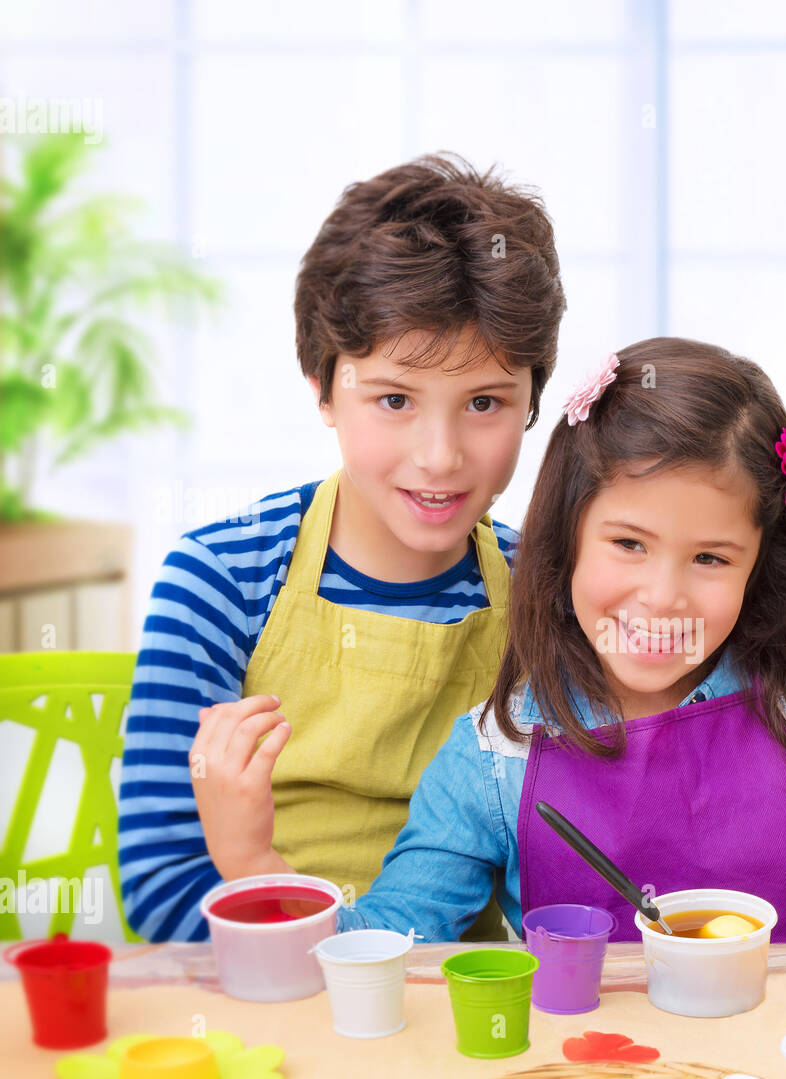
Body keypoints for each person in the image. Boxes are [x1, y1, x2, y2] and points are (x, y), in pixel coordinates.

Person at [270, 335, 786, 941]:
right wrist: (255, 861)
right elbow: (382, 954)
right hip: (576, 1073)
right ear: (567, 539)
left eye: (710, 558)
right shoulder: (494, 759)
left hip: (771, 1068)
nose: (663, 595)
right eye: (628, 543)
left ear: (761, 565)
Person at [119, 154, 565, 941]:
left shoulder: (542, 588)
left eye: (485, 402)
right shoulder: (219, 580)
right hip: (250, 995)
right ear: (323, 388)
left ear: (533, 402)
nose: (439, 455)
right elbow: (160, 892)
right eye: (394, 399)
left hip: (454, 997)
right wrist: (283, 912)